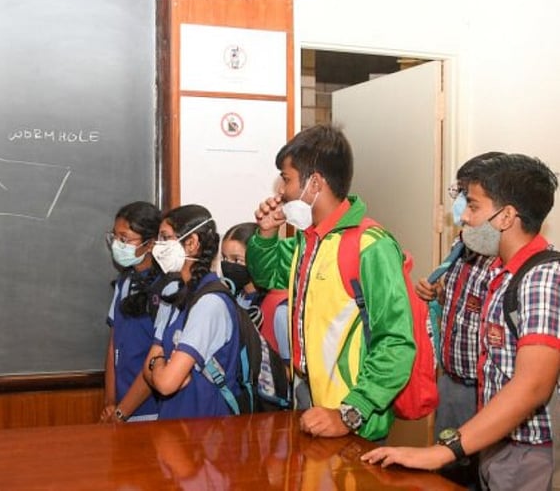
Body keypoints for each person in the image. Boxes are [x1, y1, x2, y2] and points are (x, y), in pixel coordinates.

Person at [362, 154, 560, 491]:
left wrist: (444, 451)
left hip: (523, 448)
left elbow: (532, 386)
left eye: (473, 206)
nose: (464, 216)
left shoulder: (542, 277)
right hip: (497, 442)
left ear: (506, 216)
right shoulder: (501, 271)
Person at [245, 124, 415, 441]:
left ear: (315, 183)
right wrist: (266, 234)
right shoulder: (308, 241)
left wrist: (350, 412)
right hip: (310, 401)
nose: (281, 191)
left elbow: (395, 343)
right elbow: (267, 276)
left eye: (287, 178)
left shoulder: (369, 245)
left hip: (353, 417)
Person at [415, 152, 503, 489]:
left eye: (470, 198)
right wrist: (435, 293)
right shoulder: (462, 244)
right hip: (451, 384)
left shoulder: (508, 262)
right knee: (449, 476)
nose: (463, 209)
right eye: (461, 195)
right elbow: (464, 303)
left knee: (486, 474)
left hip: (486, 391)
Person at [142, 204, 240, 419]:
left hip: (205, 435)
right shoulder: (175, 293)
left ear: (192, 243)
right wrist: (160, 366)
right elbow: (151, 374)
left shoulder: (210, 303)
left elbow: (166, 384)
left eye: (165, 238)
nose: (158, 247)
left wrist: (159, 364)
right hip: (173, 425)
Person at [100, 201, 162, 423]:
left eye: (125, 239)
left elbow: (156, 361)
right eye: (115, 237)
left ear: (150, 243)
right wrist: (110, 402)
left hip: (151, 410)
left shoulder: (166, 289)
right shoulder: (124, 282)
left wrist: (122, 411)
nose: (118, 244)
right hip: (119, 408)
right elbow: (113, 345)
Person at [221, 222, 290, 364]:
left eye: (236, 260)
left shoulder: (279, 308)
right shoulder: (233, 297)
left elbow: (289, 369)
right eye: (224, 258)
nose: (228, 265)